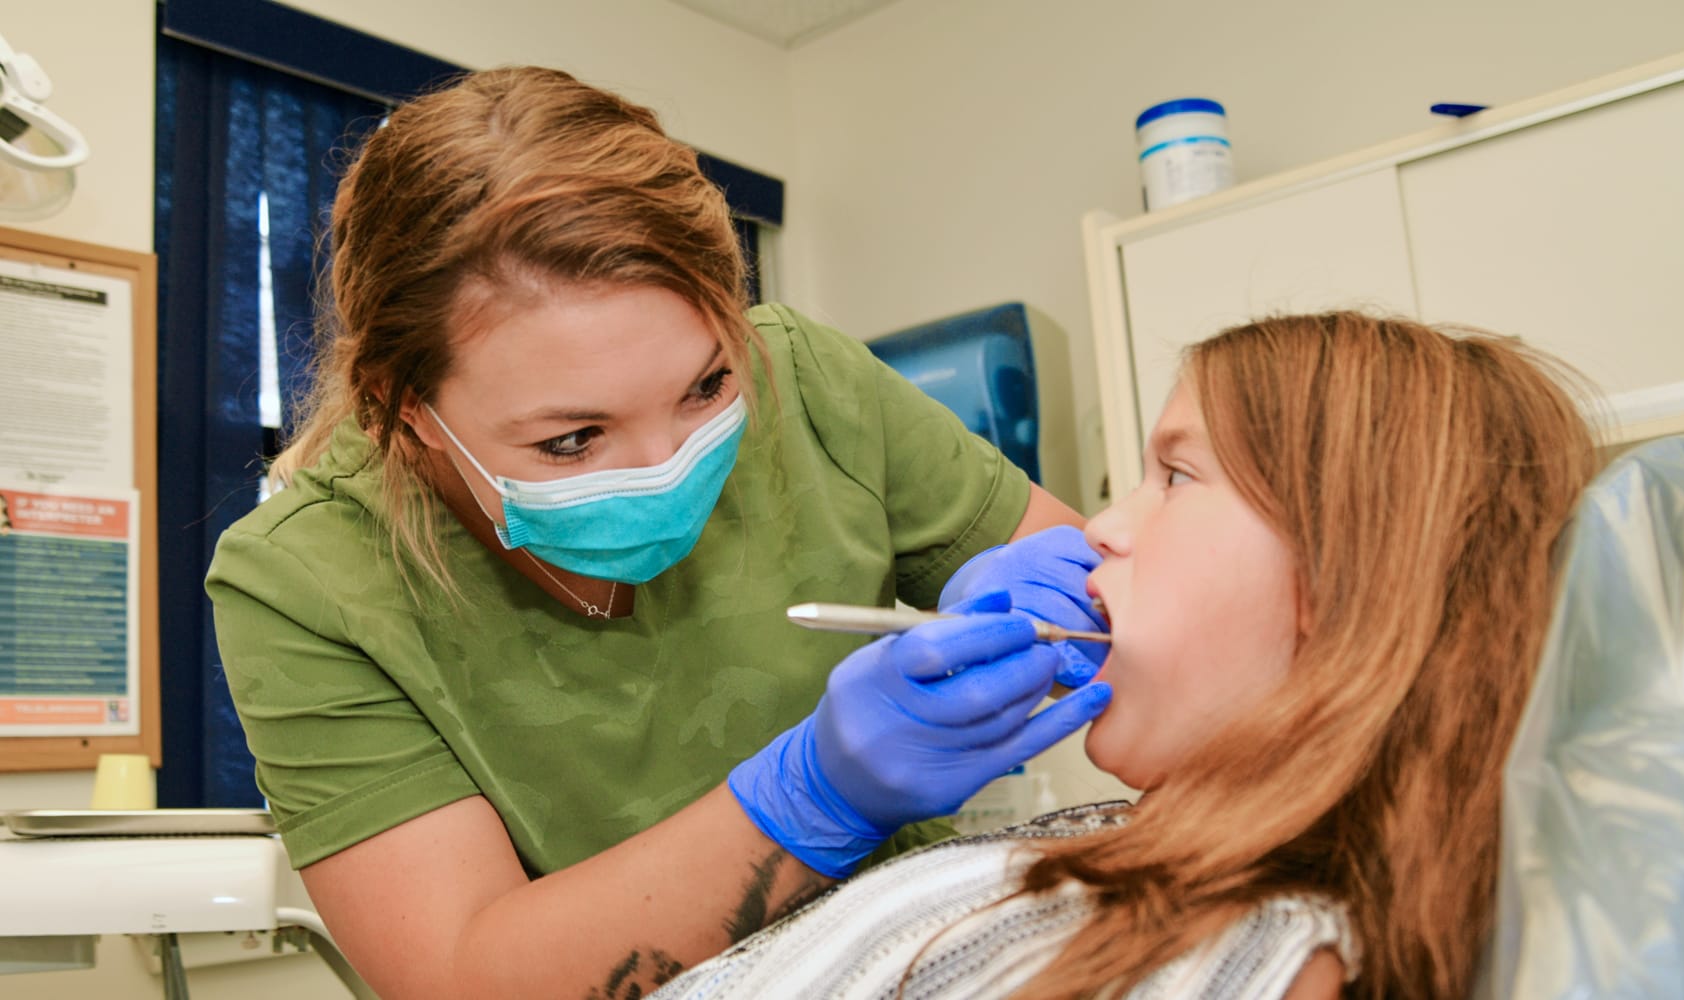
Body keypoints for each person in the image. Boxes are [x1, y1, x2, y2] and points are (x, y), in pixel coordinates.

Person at [203, 66, 1111, 999]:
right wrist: (810, 798)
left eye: (706, 388)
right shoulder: (307, 583)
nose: (667, 464)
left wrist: (1046, 587)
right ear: (405, 411)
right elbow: (457, 974)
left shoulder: (807, 384)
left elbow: (1086, 577)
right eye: (572, 439)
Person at [647, 310, 1602, 999]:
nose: (1100, 527)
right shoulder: (1162, 859)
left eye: (1177, 476)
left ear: (1356, 574)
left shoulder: (1269, 960)